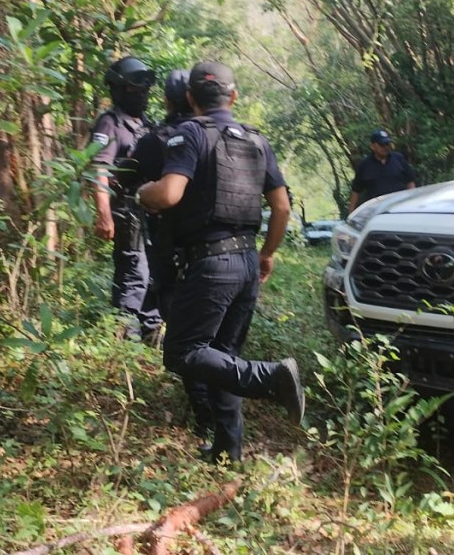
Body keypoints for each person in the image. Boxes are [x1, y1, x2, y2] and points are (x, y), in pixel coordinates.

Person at [136, 61, 304, 462]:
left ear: (191, 98)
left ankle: (271, 377)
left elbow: (170, 194)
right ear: (234, 96)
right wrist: (267, 254)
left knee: (182, 352)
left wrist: (144, 192)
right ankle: (228, 450)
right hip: (246, 260)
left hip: (211, 264)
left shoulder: (189, 134)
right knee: (222, 355)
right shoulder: (257, 141)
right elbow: (281, 209)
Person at [131, 69, 214, 451]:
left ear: (167, 100)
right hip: (219, 255)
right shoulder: (219, 138)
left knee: (182, 338)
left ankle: (205, 420)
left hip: (170, 254)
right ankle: (220, 415)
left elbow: (136, 186)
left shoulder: (151, 144)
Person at [89, 56, 163, 343]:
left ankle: (151, 335)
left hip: (151, 213)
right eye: (136, 88)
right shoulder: (109, 124)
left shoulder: (146, 123)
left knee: (154, 275)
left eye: (146, 88)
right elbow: (99, 169)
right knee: (134, 275)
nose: (143, 93)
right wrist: (103, 214)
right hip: (127, 213)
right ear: (120, 90)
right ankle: (125, 341)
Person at [348, 128, 417, 212]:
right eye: (381, 144)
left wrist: (412, 202)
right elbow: (356, 190)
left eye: (387, 143)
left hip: (399, 208)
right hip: (376, 211)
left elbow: (410, 181)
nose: (385, 147)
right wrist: (351, 212)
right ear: (372, 146)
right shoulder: (365, 165)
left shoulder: (399, 159)